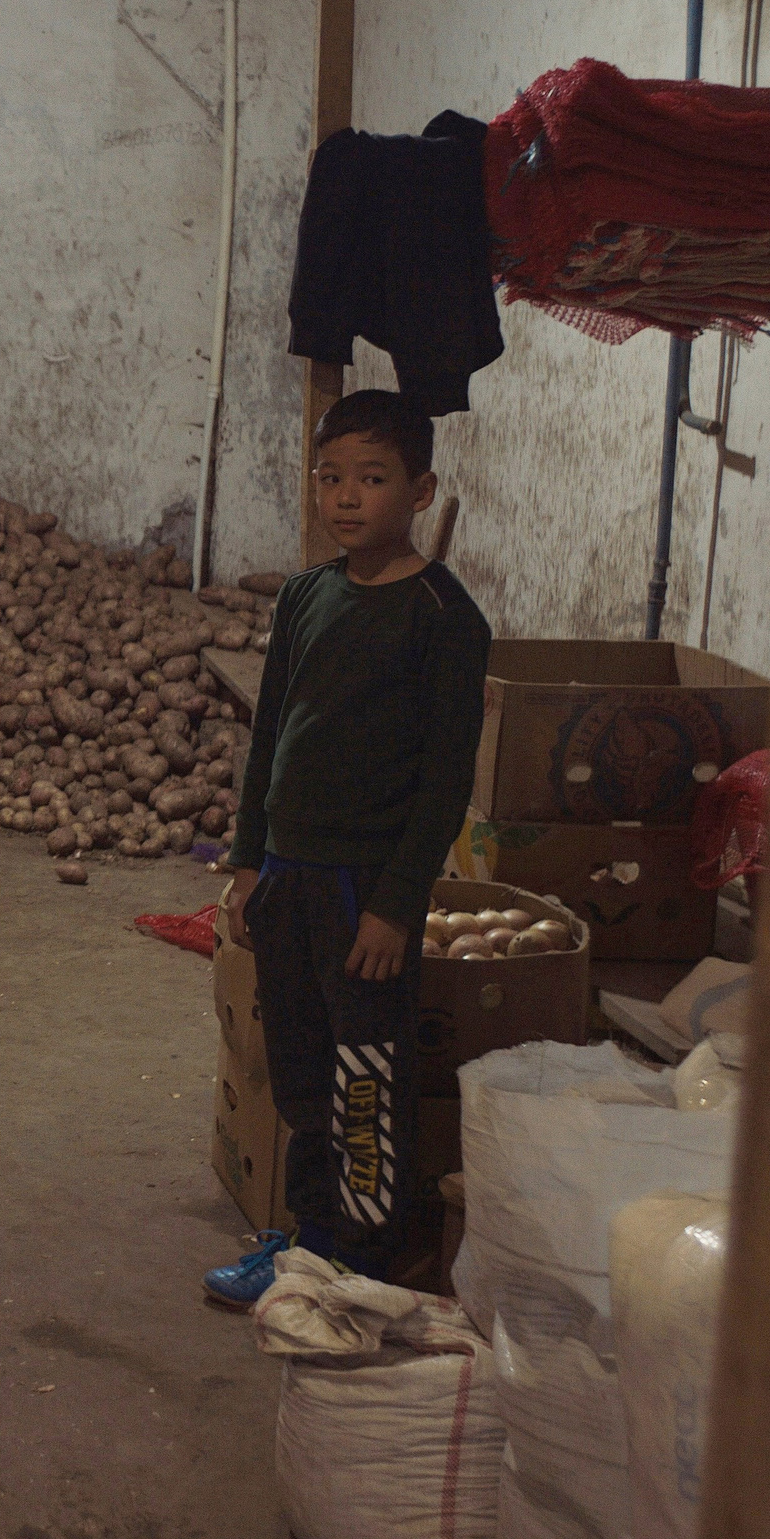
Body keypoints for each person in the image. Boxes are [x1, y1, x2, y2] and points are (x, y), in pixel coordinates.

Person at [201, 390, 491, 1308]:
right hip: (289, 879)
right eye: (330, 478)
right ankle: (309, 1243)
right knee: (300, 1072)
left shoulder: (445, 618)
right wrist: (249, 863)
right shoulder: (304, 597)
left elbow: (446, 782)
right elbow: (271, 735)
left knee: (365, 1081)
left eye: (372, 478)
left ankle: (362, 1264)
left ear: (420, 489)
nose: (346, 498)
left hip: (366, 892)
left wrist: (399, 905)